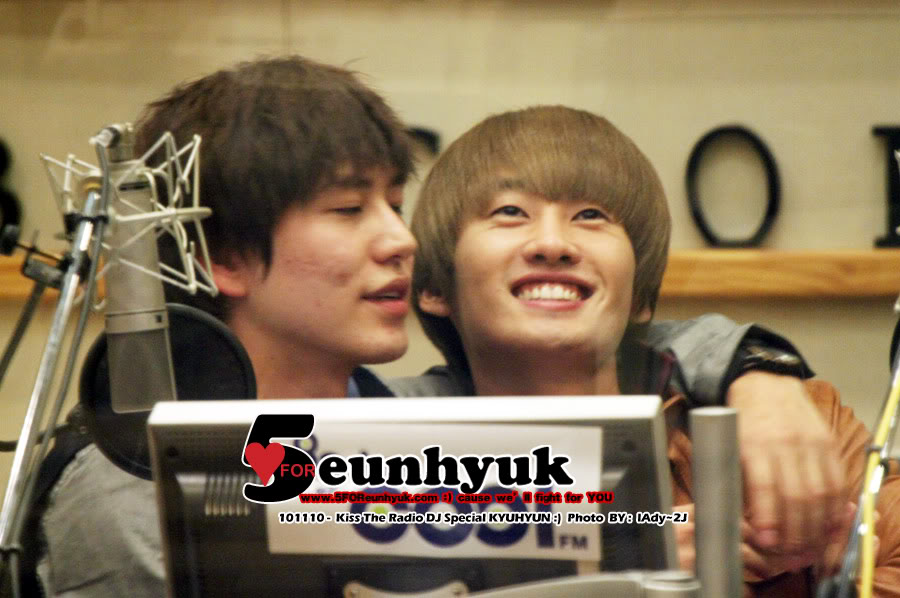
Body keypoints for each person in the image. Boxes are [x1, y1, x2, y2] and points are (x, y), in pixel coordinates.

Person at [24, 57, 823, 597]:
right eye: (349, 209)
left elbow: (606, 342)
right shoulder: (132, 483)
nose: (401, 240)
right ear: (223, 255)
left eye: (395, 206)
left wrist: (761, 374)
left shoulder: (407, 414)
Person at [404, 104, 900, 596]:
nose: (552, 243)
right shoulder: (387, 451)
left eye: (590, 215)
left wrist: (835, 584)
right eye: (509, 212)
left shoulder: (790, 421)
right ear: (434, 287)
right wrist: (623, 565)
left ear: (640, 294)